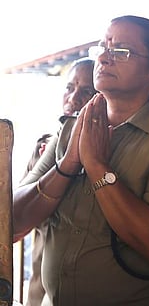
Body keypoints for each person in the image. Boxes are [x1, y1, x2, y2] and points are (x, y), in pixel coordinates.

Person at [13, 15, 149, 306]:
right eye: (102, 47)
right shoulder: (68, 131)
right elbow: (12, 222)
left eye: (120, 51)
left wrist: (98, 168)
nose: (103, 57)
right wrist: (66, 167)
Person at [22, 57, 96, 306]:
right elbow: (14, 216)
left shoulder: (104, 153)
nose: (74, 98)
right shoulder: (45, 147)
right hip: (41, 288)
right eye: (70, 87)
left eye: (87, 91)